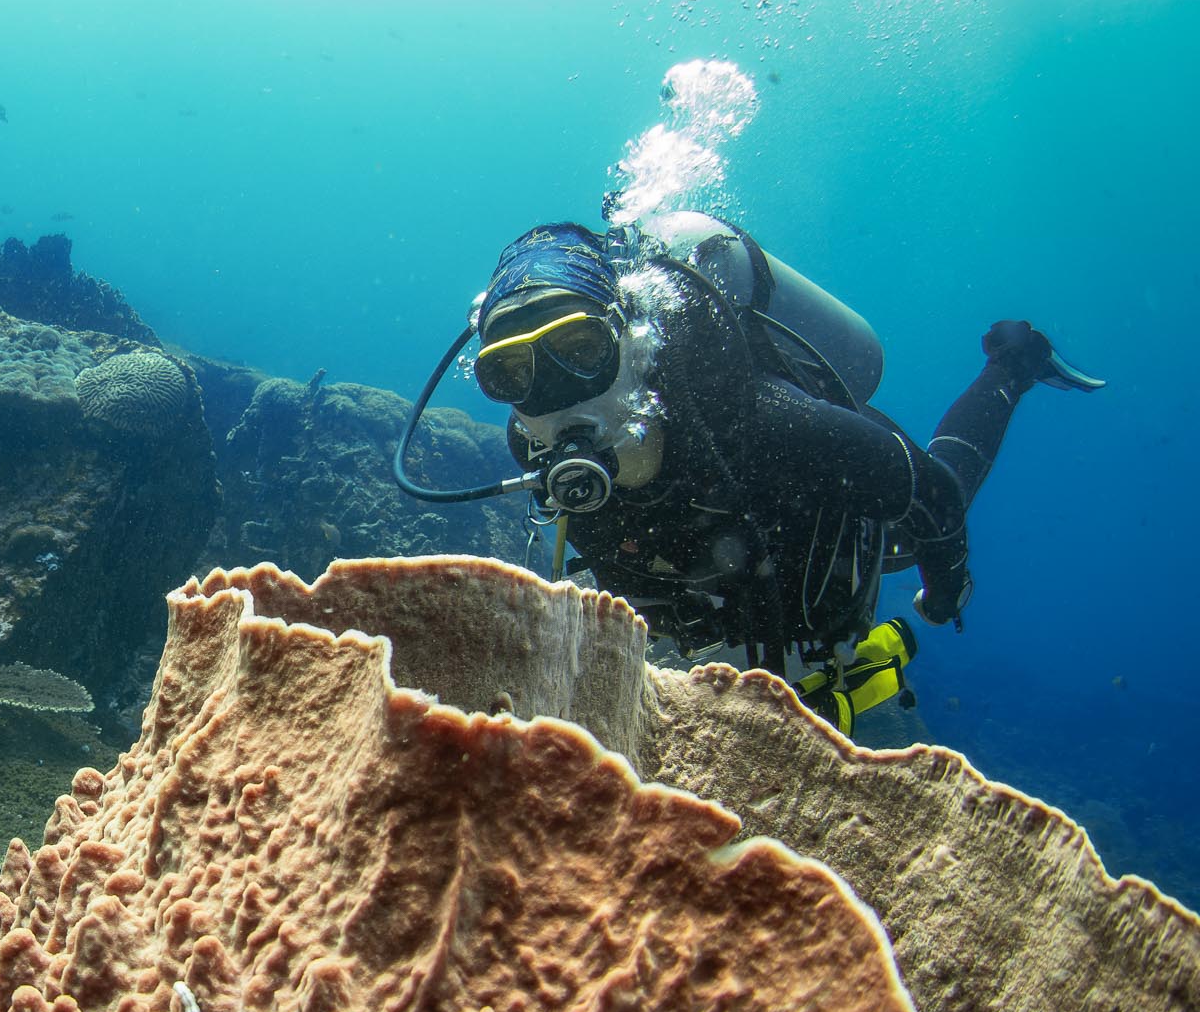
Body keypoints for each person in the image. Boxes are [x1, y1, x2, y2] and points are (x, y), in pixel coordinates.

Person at [393, 213, 1103, 727]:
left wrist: (945, 596)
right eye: (512, 373)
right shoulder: (533, 447)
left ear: (631, 341)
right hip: (717, 591)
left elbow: (936, 494)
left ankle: (1014, 363)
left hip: (826, 521)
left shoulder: (763, 419)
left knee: (927, 515)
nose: (557, 394)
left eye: (580, 350)